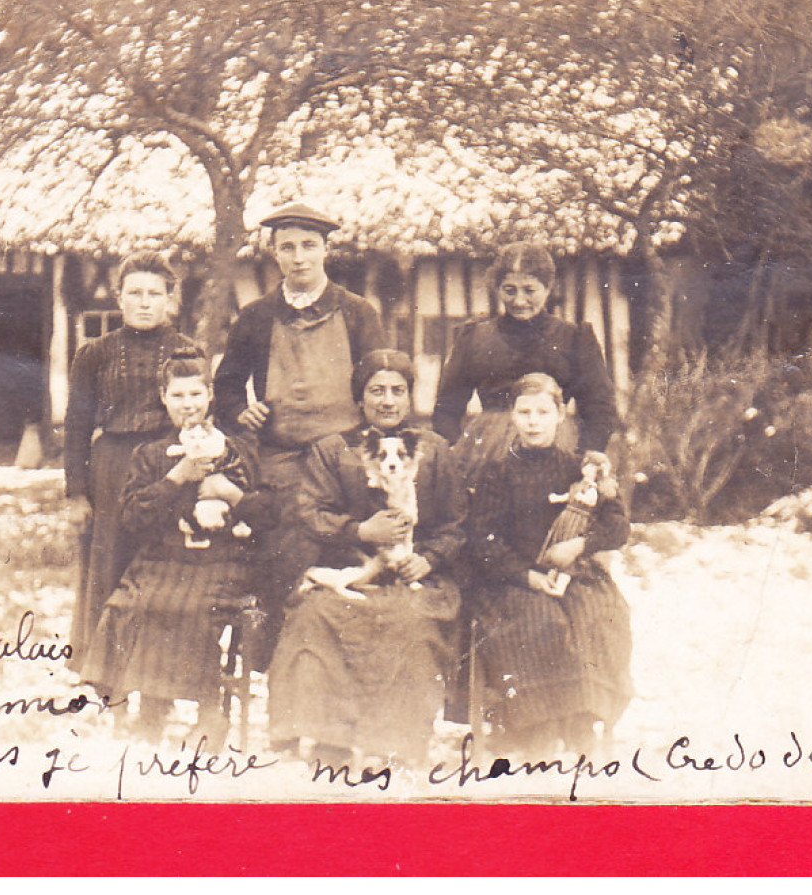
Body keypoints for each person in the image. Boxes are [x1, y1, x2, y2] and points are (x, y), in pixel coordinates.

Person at [267, 350, 466, 768]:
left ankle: (393, 745)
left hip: (415, 579)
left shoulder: (433, 450)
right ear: (360, 397)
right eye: (377, 390)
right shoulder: (332, 449)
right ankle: (328, 741)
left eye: (398, 391)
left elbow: (457, 525)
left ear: (411, 398)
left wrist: (429, 559)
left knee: (411, 625)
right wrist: (358, 530)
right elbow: (310, 513)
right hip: (348, 571)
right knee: (317, 616)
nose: (388, 401)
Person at [213, 201, 387, 641]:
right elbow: (227, 387)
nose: (299, 257)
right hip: (282, 456)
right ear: (274, 254)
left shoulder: (357, 313)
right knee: (286, 525)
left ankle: (348, 632)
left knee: (350, 530)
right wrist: (239, 410)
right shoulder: (255, 317)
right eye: (287, 247)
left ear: (326, 249)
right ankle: (283, 632)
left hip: (347, 455)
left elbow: (382, 383)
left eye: (309, 246)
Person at [77, 350, 267, 743]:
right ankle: (150, 707)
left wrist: (228, 493)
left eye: (196, 394)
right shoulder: (149, 455)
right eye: (178, 396)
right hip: (162, 558)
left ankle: (210, 710)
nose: (188, 406)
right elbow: (131, 518)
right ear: (163, 397)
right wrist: (176, 478)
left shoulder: (236, 449)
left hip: (221, 561)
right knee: (130, 605)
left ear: (210, 396)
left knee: (194, 608)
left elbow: (265, 511)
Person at [464, 372, 633, 760]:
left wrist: (580, 545)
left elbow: (617, 527)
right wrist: (527, 576)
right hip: (514, 580)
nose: (533, 421)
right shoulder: (497, 474)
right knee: (541, 623)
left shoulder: (578, 470)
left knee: (601, 615)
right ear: (512, 416)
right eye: (524, 412)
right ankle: (534, 724)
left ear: (561, 415)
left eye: (543, 412)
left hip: (574, 576)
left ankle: (582, 719)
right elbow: (483, 539)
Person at [62, 254, 201, 659]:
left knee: (161, 566)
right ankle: (107, 671)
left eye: (154, 294)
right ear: (119, 299)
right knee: (109, 569)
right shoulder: (94, 354)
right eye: (134, 293)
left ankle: (158, 668)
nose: (144, 302)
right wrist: (76, 493)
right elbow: (76, 426)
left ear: (170, 300)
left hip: (169, 465)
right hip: (110, 470)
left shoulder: (188, 351)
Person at [432, 241, 621, 489]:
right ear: (497, 289)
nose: (519, 301)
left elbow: (599, 407)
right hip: (487, 455)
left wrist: (584, 453)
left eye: (529, 290)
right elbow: (446, 408)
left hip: (555, 450)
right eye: (509, 290)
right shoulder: (474, 337)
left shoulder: (574, 338)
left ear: (548, 287)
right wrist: (460, 451)